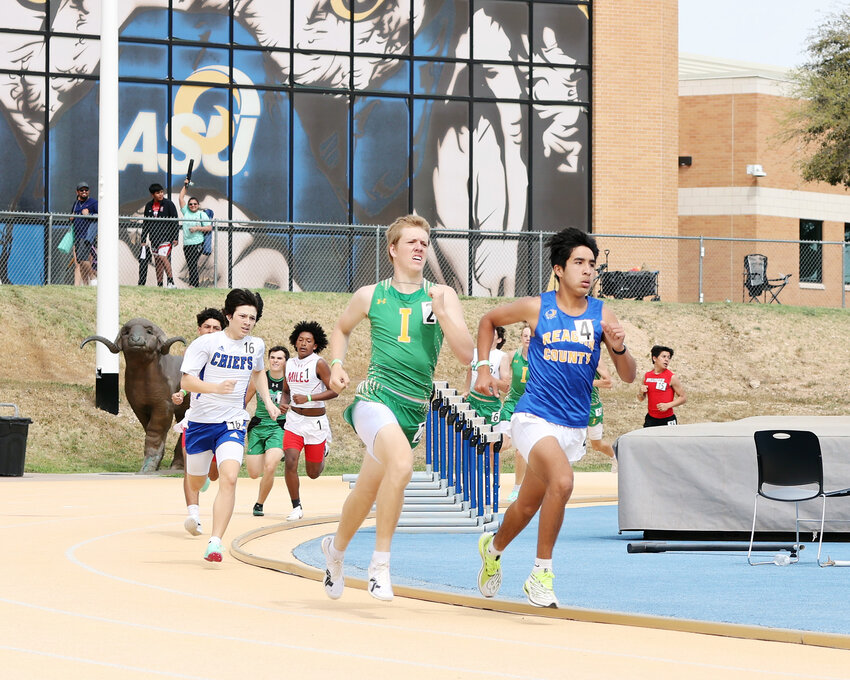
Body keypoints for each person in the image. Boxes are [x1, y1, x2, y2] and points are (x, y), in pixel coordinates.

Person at [474, 227, 636, 608]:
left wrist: (619, 347)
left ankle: (493, 549)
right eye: (579, 263)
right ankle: (541, 573)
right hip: (533, 417)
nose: (587, 271)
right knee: (562, 483)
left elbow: (628, 375)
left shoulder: (602, 315)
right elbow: (488, 321)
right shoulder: (536, 307)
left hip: (573, 426)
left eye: (592, 265)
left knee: (527, 506)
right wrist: (483, 368)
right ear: (559, 269)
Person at [322, 214, 473, 602]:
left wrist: (441, 313)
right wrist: (337, 364)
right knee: (403, 466)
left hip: (413, 409)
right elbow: (341, 329)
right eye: (412, 242)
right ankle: (380, 566)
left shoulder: (443, 295)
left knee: (369, 487)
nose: (420, 247)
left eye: (425, 242)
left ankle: (334, 553)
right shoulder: (371, 294)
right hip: (375, 397)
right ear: (393, 249)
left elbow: (466, 354)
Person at [179, 288, 280, 563]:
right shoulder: (206, 344)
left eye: (253, 317)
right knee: (198, 480)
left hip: (232, 421)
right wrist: (215, 388)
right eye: (243, 316)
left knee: (231, 477)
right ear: (229, 316)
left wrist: (269, 402)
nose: (248, 322)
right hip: (201, 423)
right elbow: (186, 382)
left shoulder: (256, 345)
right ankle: (199, 482)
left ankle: (214, 542)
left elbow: (258, 373)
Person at [171, 308, 227, 536]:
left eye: (216, 328)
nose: (211, 331)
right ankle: (193, 515)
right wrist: (181, 395)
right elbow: (189, 380)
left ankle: (204, 476)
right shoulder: (192, 351)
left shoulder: (228, 351)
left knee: (213, 475)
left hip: (222, 419)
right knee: (188, 466)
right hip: (195, 418)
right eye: (207, 327)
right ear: (199, 329)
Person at [280, 320, 338, 521]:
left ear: (315, 345)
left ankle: (322, 450)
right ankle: (296, 506)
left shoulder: (319, 363)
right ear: (295, 343)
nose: (303, 343)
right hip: (294, 421)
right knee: (290, 461)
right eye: (300, 340)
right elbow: (286, 392)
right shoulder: (289, 364)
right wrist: (283, 402)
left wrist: (310, 398)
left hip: (315, 423)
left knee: (313, 473)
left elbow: (335, 391)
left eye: (308, 341)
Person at [243, 345, 289, 518]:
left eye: (280, 358)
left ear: (286, 361)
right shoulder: (259, 378)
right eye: (273, 357)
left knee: (270, 466)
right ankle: (265, 453)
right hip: (259, 425)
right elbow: (244, 401)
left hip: (279, 427)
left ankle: (259, 503)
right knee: (254, 473)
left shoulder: (289, 381)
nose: (275, 361)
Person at [497, 324, 531, 503]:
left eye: (531, 336)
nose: (528, 338)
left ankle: (517, 488)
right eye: (525, 335)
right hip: (511, 403)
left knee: (521, 452)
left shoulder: (541, 358)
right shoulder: (511, 356)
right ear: (521, 338)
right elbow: (502, 373)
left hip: (529, 405)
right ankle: (494, 483)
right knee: (500, 444)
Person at [463, 326, 510, 426]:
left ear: (499, 340)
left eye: (493, 334)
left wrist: (488, 377)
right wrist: (466, 390)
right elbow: (470, 371)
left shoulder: (502, 356)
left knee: (490, 439)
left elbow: (506, 387)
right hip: (472, 401)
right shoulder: (475, 352)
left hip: (490, 405)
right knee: (467, 436)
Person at [140, 183, 180, 287]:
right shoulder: (149, 205)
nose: (161, 194)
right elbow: (146, 223)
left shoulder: (169, 204)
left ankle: (171, 281)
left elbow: (175, 221)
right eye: (158, 193)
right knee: (157, 260)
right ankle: (160, 283)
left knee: (163, 256)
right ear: (152, 194)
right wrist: (143, 238)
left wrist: (176, 237)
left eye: (162, 192)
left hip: (166, 237)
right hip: (154, 237)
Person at [639, 345, 686, 427]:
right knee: (647, 440)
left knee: (670, 440)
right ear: (654, 358)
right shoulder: (647, 376)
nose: (666, 360)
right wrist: (641, 392)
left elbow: (683, 398)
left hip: (668, 419)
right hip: (651, 419)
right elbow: (641, 398)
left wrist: (668, 405)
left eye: (668, 357)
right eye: (663, 356)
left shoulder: (671, 377)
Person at [178, 179, 211, 287]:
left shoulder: (202, 214)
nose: (193, 205)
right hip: (186, 243)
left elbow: (209, 228)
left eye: (195, 204)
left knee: (192, 263)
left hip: (197, 242)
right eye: (190, 204)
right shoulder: (186, 212)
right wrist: (185, 185)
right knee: (190, 264)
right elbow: (181, 197)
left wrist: (197, 228)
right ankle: (193, 284)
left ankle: (193, 285)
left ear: (198, 205)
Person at [588, 362, 617, 465]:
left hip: (593, 408)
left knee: (596, 445)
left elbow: (608, 383)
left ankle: (615, 458)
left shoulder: (596, 357)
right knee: (571, 442)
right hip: (574, 406)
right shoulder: (568, 354)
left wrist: (585, 381)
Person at [71, 181, 98, 286]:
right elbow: (73, 215)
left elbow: (101, 215)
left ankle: (93, 277)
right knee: (78, 262)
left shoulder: (93, 203)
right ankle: (86, 285)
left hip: (87, 235)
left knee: (83, 259)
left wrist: (89, 214)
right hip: (77, 235)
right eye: (81, 190)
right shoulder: (76, 204)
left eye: (86, 190)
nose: (84, 192)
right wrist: (72, 217)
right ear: (77, 192)